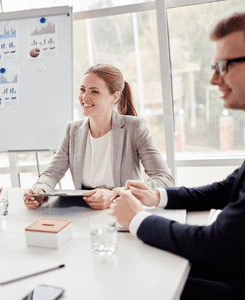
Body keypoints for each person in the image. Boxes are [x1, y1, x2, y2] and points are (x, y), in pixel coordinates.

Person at [109, 12, 245, 299]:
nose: (213, 79)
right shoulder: (74, 131)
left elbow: (216, 244)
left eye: (223, 66)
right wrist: (157, 198)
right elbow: (226, 189)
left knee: (143, 283)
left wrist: (137, 219)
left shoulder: (134, 126)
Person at [24, 64, 174, 210]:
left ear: (114, 97)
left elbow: (165, 179)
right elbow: (52, 172)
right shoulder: (73, 130)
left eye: (94, 91)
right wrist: (39, 191)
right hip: (85, 211)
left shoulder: (134, 127)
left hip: (122, 210)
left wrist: (115, 194)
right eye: (82, 89)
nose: (84, 97)